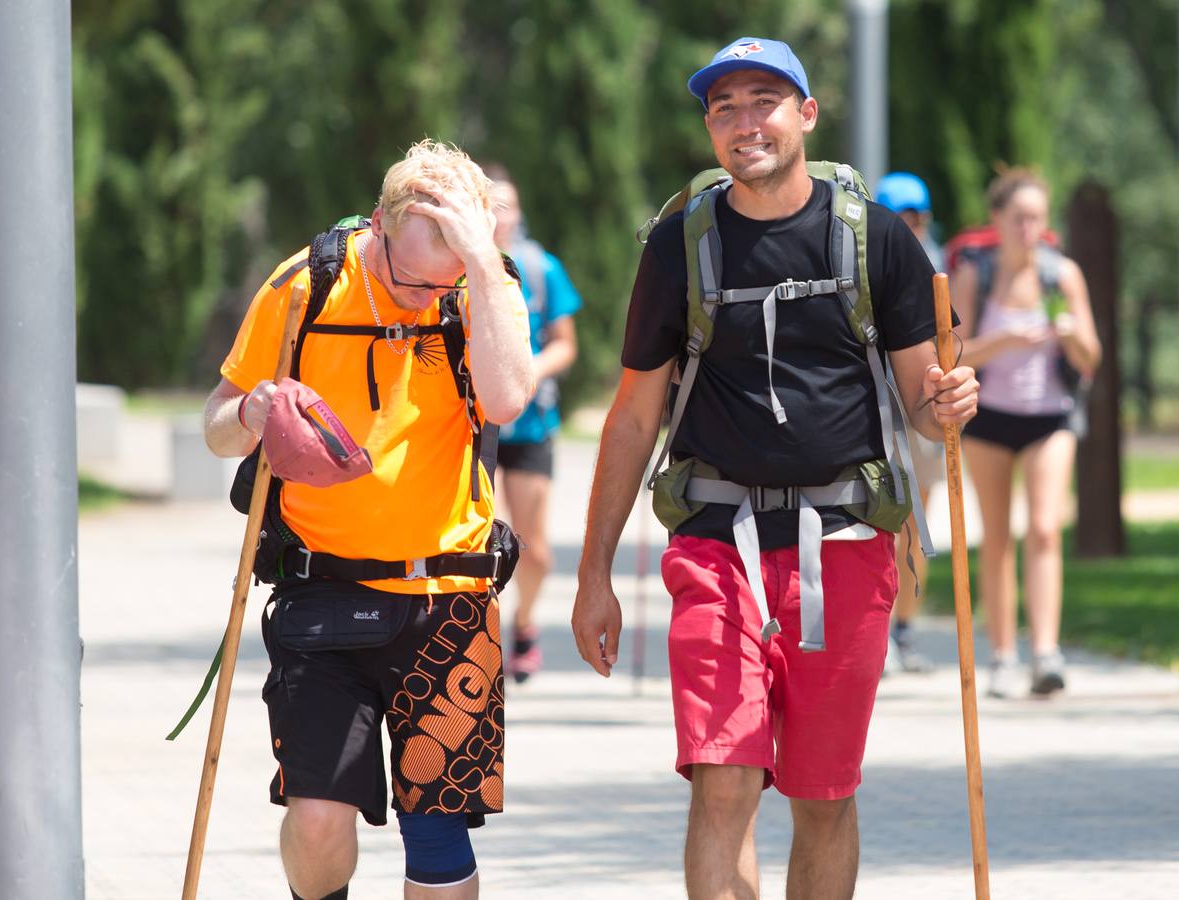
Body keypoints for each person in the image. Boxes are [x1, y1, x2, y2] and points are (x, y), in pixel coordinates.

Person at [570, 37, 978, 898]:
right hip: (716, 546)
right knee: (725, 778)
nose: (744, 123)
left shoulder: (874, 240)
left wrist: (947, 404)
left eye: (764, 101)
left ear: (806, 114)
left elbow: (919, 401)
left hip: (848, 542)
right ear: (710, 130)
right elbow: (635, 412)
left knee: (823, 797)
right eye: (725, 109)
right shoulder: (678, 245)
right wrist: (593, 573)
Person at [202, 140, 533, 898]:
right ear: (379, 227)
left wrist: (482, 269)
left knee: (437, 829)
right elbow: (215, 424)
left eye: (445, 279)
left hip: (450, 596)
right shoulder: (306, 285)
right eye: (413, 277)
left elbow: (509, 400)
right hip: (321, 593)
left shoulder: (481, 286)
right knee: (318, 819)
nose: (426, 296)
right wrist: (250, 410)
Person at [950, 169, 1101, 699]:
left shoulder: (1063, 276)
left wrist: (1072, 334)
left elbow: (1090, 359)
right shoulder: (977, 275)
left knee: (1043, 529)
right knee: (996, 538)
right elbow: (956, 352)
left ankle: (1045, 653)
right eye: (1019, 218)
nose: (1029, 227)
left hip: (1049, 417)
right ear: (997, 221)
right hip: (989, 417)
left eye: (1037, 217)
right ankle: (1001, 656)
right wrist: (1005, 339)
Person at [487, 172, 582, 684]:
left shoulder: (542, 269)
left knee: (533, 547)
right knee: (472, 545)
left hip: (530, 424)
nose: (504, 216)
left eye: (510, 206)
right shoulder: (448, 268)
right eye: (494, 206)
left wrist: (530, 371)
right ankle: (479, 635)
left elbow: (566, 343)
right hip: (472, 427)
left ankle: (524, 622)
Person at [875, 170, 945, 675]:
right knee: (881, 522)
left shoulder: (937, 265)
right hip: (874, 410)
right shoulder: (859, 256)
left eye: (914, 216)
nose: (907, 224)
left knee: (915, 522)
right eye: (898, 214)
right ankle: (878, 628)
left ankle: (905, 629)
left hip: (918, 410)